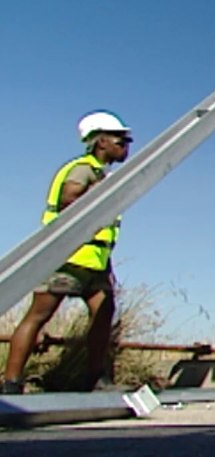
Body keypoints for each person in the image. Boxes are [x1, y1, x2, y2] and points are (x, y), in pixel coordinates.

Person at [3, 111, 133, 394]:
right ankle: (11, 383)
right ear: (101, 142)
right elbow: (69, 200)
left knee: (104, 313)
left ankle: (96, 379)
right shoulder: (82, 169)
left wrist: (106, 266)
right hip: (66, 259)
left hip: (94, 263)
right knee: (38, 316)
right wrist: (101, 192)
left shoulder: (99, 173)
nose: (126, 144)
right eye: (120, 139)